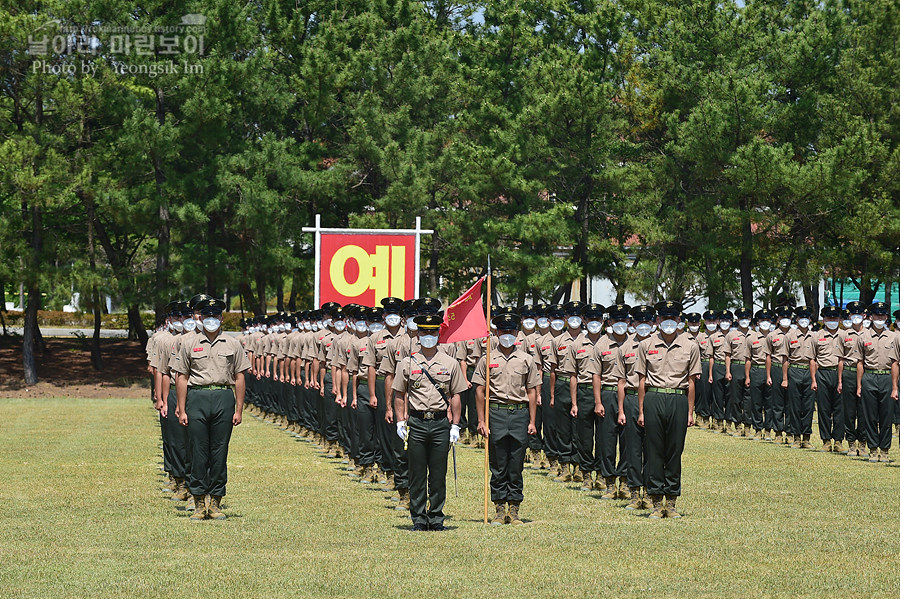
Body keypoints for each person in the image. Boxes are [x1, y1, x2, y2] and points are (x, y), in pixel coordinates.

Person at [173, 297, 251, 521]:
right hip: (197, 396)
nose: (211, 320)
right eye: (207, 316)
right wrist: (181, 408)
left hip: (223, 397)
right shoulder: (188, 343)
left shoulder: (233, 343)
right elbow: (181, 376)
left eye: (215, 316)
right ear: (201, 318)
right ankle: (198, 502)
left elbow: (239, 377)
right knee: (198, 451)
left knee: (219, 451)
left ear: (221, 318)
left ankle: (215, 501)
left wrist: (239, 409)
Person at [392, 313, 466, 531]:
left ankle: (435, 517)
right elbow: (399, 393)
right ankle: (418, 518)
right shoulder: (407, 362)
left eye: (432, 332)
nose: (428, 336)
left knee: (437, 473)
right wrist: (400, 421)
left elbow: (456, 396)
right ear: (418, 334)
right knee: (416, 473)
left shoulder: (450, 363)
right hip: (416, 422)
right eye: (424, 331)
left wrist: (455, 425)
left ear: (438, 334)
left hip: (441, 424)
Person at [473, 313, 540, 525]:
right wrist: (482, 421)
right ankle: (499, 509)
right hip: (496, 413)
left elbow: (531, 392)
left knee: (516, 463)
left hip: (519, 414)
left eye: (511, 331)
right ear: (496, 333)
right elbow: (479, 391)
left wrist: (531, 421)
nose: (507, 335)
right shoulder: (487, 359)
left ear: (517, 333)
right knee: (498, 463)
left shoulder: (527, 360)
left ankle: (515, 508)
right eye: (503, 331)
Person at [636, 301, 700, 519]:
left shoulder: (690, 345)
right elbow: (642, 380)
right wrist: (642, 411)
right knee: (653, 450)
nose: (668, 322)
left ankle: (671, 501)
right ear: (658, 320)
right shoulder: (646, 345)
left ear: (679, 320)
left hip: (678, 399)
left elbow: (691, 382)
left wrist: (690, 412)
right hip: (654, 397)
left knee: (674, 450)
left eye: (673, 317)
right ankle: (655, 500)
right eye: (664, 317)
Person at [589, 303, 630, 502]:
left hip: (629, 396)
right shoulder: (601, 345)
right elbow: (596, 376)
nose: (620, 323)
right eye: (616, 320)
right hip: (607, 394)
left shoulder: (636, 343)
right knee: (606, 441)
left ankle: (624, 480)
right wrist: (598, 402)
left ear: (629, 321)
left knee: (628, 441)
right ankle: (609, 482)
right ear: (610, 323)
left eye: (623, 320)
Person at [858, 302, 893, 462]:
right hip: (869, 377)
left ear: (886, 317)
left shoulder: (895, 337)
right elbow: (860, 362)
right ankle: (872, 448)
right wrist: (859, 385)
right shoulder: (863, 337)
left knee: (886, 416)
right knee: (870, 416)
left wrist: (895, 386)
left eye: (882, 315)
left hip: (887, 377)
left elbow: (896, 363)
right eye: (877, 315)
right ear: (871, 317)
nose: (880, 318)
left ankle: (884, 449)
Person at [811, 306, 844, 452]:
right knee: (823, 409)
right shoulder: (816, 336)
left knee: (840, 409)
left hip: (839, 374)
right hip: (822, 374)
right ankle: (826, 441)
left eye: (835, 318)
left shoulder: (845, 335)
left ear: (839, 319)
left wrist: (841, 380)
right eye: (829, 318)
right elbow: (812, 359)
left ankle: (838, 441)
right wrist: (813, 379)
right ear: (823, 319)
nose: (832, 320)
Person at [839, 301, 867, 456]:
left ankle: (863, 443)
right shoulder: (844, 334)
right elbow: (840, 360)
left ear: (864, 315)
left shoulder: (869, 334)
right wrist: (840, 381)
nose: (856, 316)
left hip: (866, 374)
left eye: (859, 313)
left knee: (864, 411)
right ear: (849, 316)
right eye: (853, 314)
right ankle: (851, 442)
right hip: (849, 373)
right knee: (849, 411)